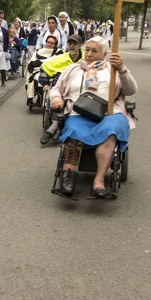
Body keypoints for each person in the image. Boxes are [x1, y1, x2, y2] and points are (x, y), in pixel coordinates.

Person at [50, 36, 137, 197]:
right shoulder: (73, 70)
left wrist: (122, 69)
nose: (88, 54)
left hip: (109, 113)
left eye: (94, 51)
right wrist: (56, 97)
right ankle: (68, 176)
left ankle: (99, 180)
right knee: (73, 130)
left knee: (111, 130)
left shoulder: (113, 69)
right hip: (79, 113)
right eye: (87, 50)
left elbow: (131, 90)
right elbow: (56, 88)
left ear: (104, 54)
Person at [39, 34, 84, 145]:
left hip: (79, 88)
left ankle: (56, 126)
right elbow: (44, 67)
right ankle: (58, 126)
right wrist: (45, 83)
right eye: (70, 43)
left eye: (75, 44)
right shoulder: (60, 58)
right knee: (56, 95)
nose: (72, 46)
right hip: (62, 86)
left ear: (80, 45)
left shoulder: (86, 59)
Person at [26, 35, 63, 106]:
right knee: (37, 78)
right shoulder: (39, 51)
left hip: (53, 72)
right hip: (39, 71)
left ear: (55, 45)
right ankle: (40, 98)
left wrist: (41, 62)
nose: (49, 44)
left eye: (52, 43)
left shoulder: (59, 52)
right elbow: (32, 62)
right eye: (48, 42)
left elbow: (58, 63)